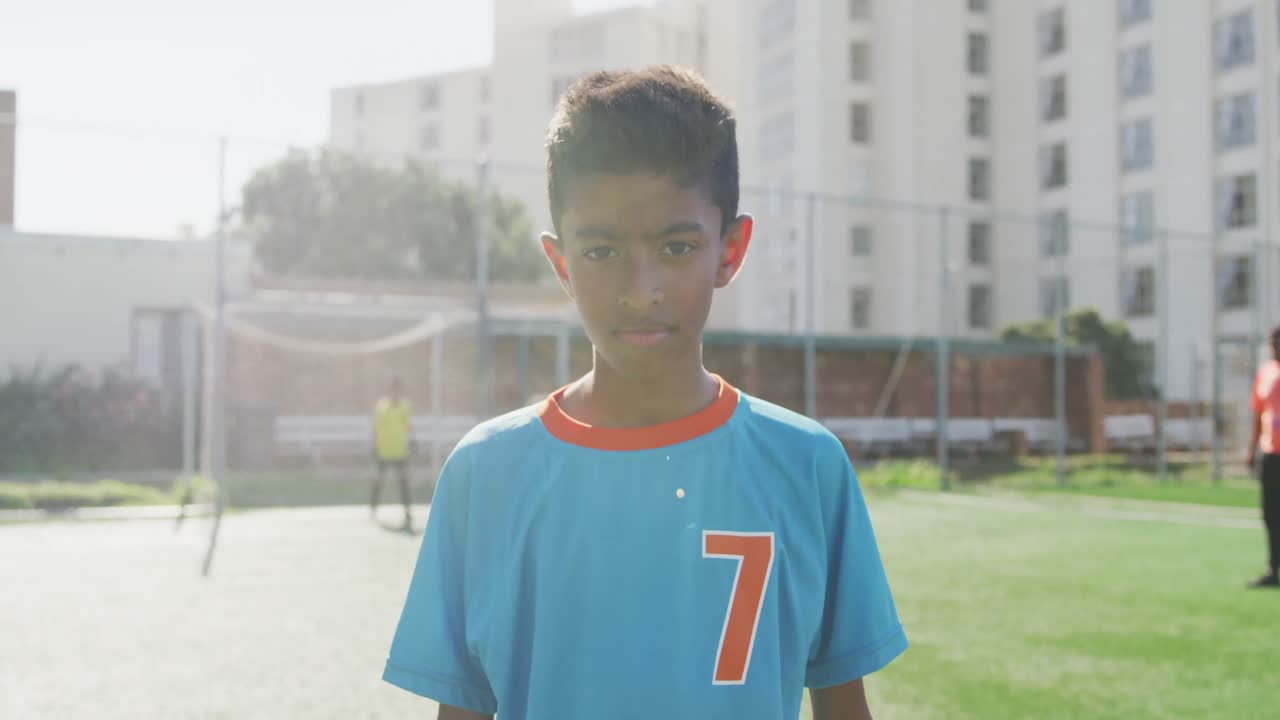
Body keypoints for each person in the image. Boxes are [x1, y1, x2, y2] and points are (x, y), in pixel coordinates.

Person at [382, 67, 907, 719]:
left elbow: (841, 706)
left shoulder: (807, 466)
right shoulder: (484, 474)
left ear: (730, 249)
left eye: (677, 245)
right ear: (561, 263)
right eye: (602, 252)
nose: (642, 287)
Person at [1246, 327, 1280, 588]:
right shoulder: (1265, 372)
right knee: (1271, 514)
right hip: (1271, 454)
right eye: (1273, 342)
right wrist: (1251, 449)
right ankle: (1272, 570)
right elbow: (1259, 414)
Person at [372, 377, 414, 529]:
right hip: (384, 451)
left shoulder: (405, 407)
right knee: (378, 481)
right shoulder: (382, 407)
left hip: (399, 451)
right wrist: (375, 446)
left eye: (398, 390)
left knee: (403, 482)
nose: (395, 393)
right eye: (393, 390)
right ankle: (373, 507)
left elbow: (408, 426)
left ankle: (408, 510)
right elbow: (376, 428)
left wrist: (412, 440)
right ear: (389, 391)